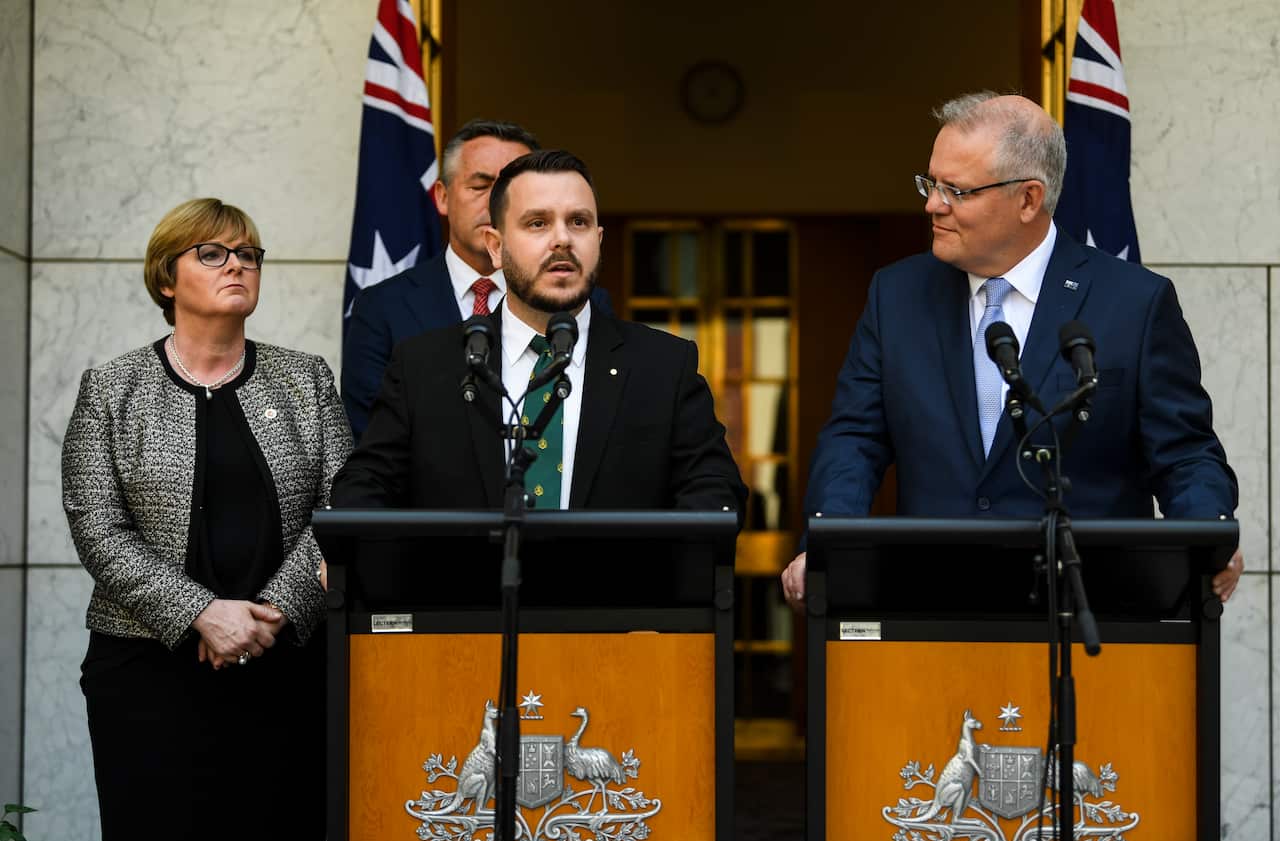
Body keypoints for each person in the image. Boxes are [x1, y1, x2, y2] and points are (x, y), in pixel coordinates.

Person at [780, 92, 1244, 608]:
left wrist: (1209, 536)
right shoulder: (896, 295)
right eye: (930, 184)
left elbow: (1184, 455)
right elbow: (854, 439)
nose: (933, 204)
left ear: (1028, 199)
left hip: (1089, 608)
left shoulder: (1134, 303)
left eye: (956, 190)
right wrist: (828, 543)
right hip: (932, 609)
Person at [62, 198, 351, 841]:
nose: (237, 265)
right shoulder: (112, 388)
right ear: (167, 278)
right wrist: (201, 612)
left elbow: (342, 507)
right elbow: (97, 526)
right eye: (213, 253)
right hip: (146, 672)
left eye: (248, 254)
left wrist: (278, 608)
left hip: (286, 668)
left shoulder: (304, 379)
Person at [321, 149, 745, 582]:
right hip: (459, 634)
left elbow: (714, 493)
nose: (561, 239)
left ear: (598, 240)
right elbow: (365, 489)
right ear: (497, 246)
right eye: (537, 223)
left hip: (618, 634)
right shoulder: (425, 365)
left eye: (578, 222)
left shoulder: (663, 366)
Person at [342, 118, 612, 441]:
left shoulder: (586, 303)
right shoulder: (382, 307)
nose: (494, 202)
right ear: (442, 196)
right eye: (480, 186)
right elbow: (370, 437)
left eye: (510, 189)